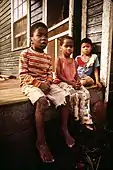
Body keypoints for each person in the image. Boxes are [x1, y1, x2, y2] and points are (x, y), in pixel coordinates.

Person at [19, 22, 75, 163]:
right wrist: (39, 84)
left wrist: (48, 83)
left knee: (65, 96)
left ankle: (64, 129)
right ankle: (41, 141)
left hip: (46, 84)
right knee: (42, 101)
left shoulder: (48, 57)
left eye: (46, 36)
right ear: (31, 38)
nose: (44, 39)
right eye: (39, 35)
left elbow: (50, 74)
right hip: (30, 84)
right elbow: (23, 75)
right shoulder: (25, 54)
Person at [54, 35, 94, 131]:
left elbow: (76, 75)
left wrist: (78, 82)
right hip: (62, 82)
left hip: (72, 82)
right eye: (66, 46)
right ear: (61, 47)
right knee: (73, 95)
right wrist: (71, 83)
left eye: (71, 46)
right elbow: (58, 74)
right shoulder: (59, 59)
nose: (69, 48)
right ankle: (74, 118)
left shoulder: (74, 61)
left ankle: (85, 119)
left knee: (85, 93)